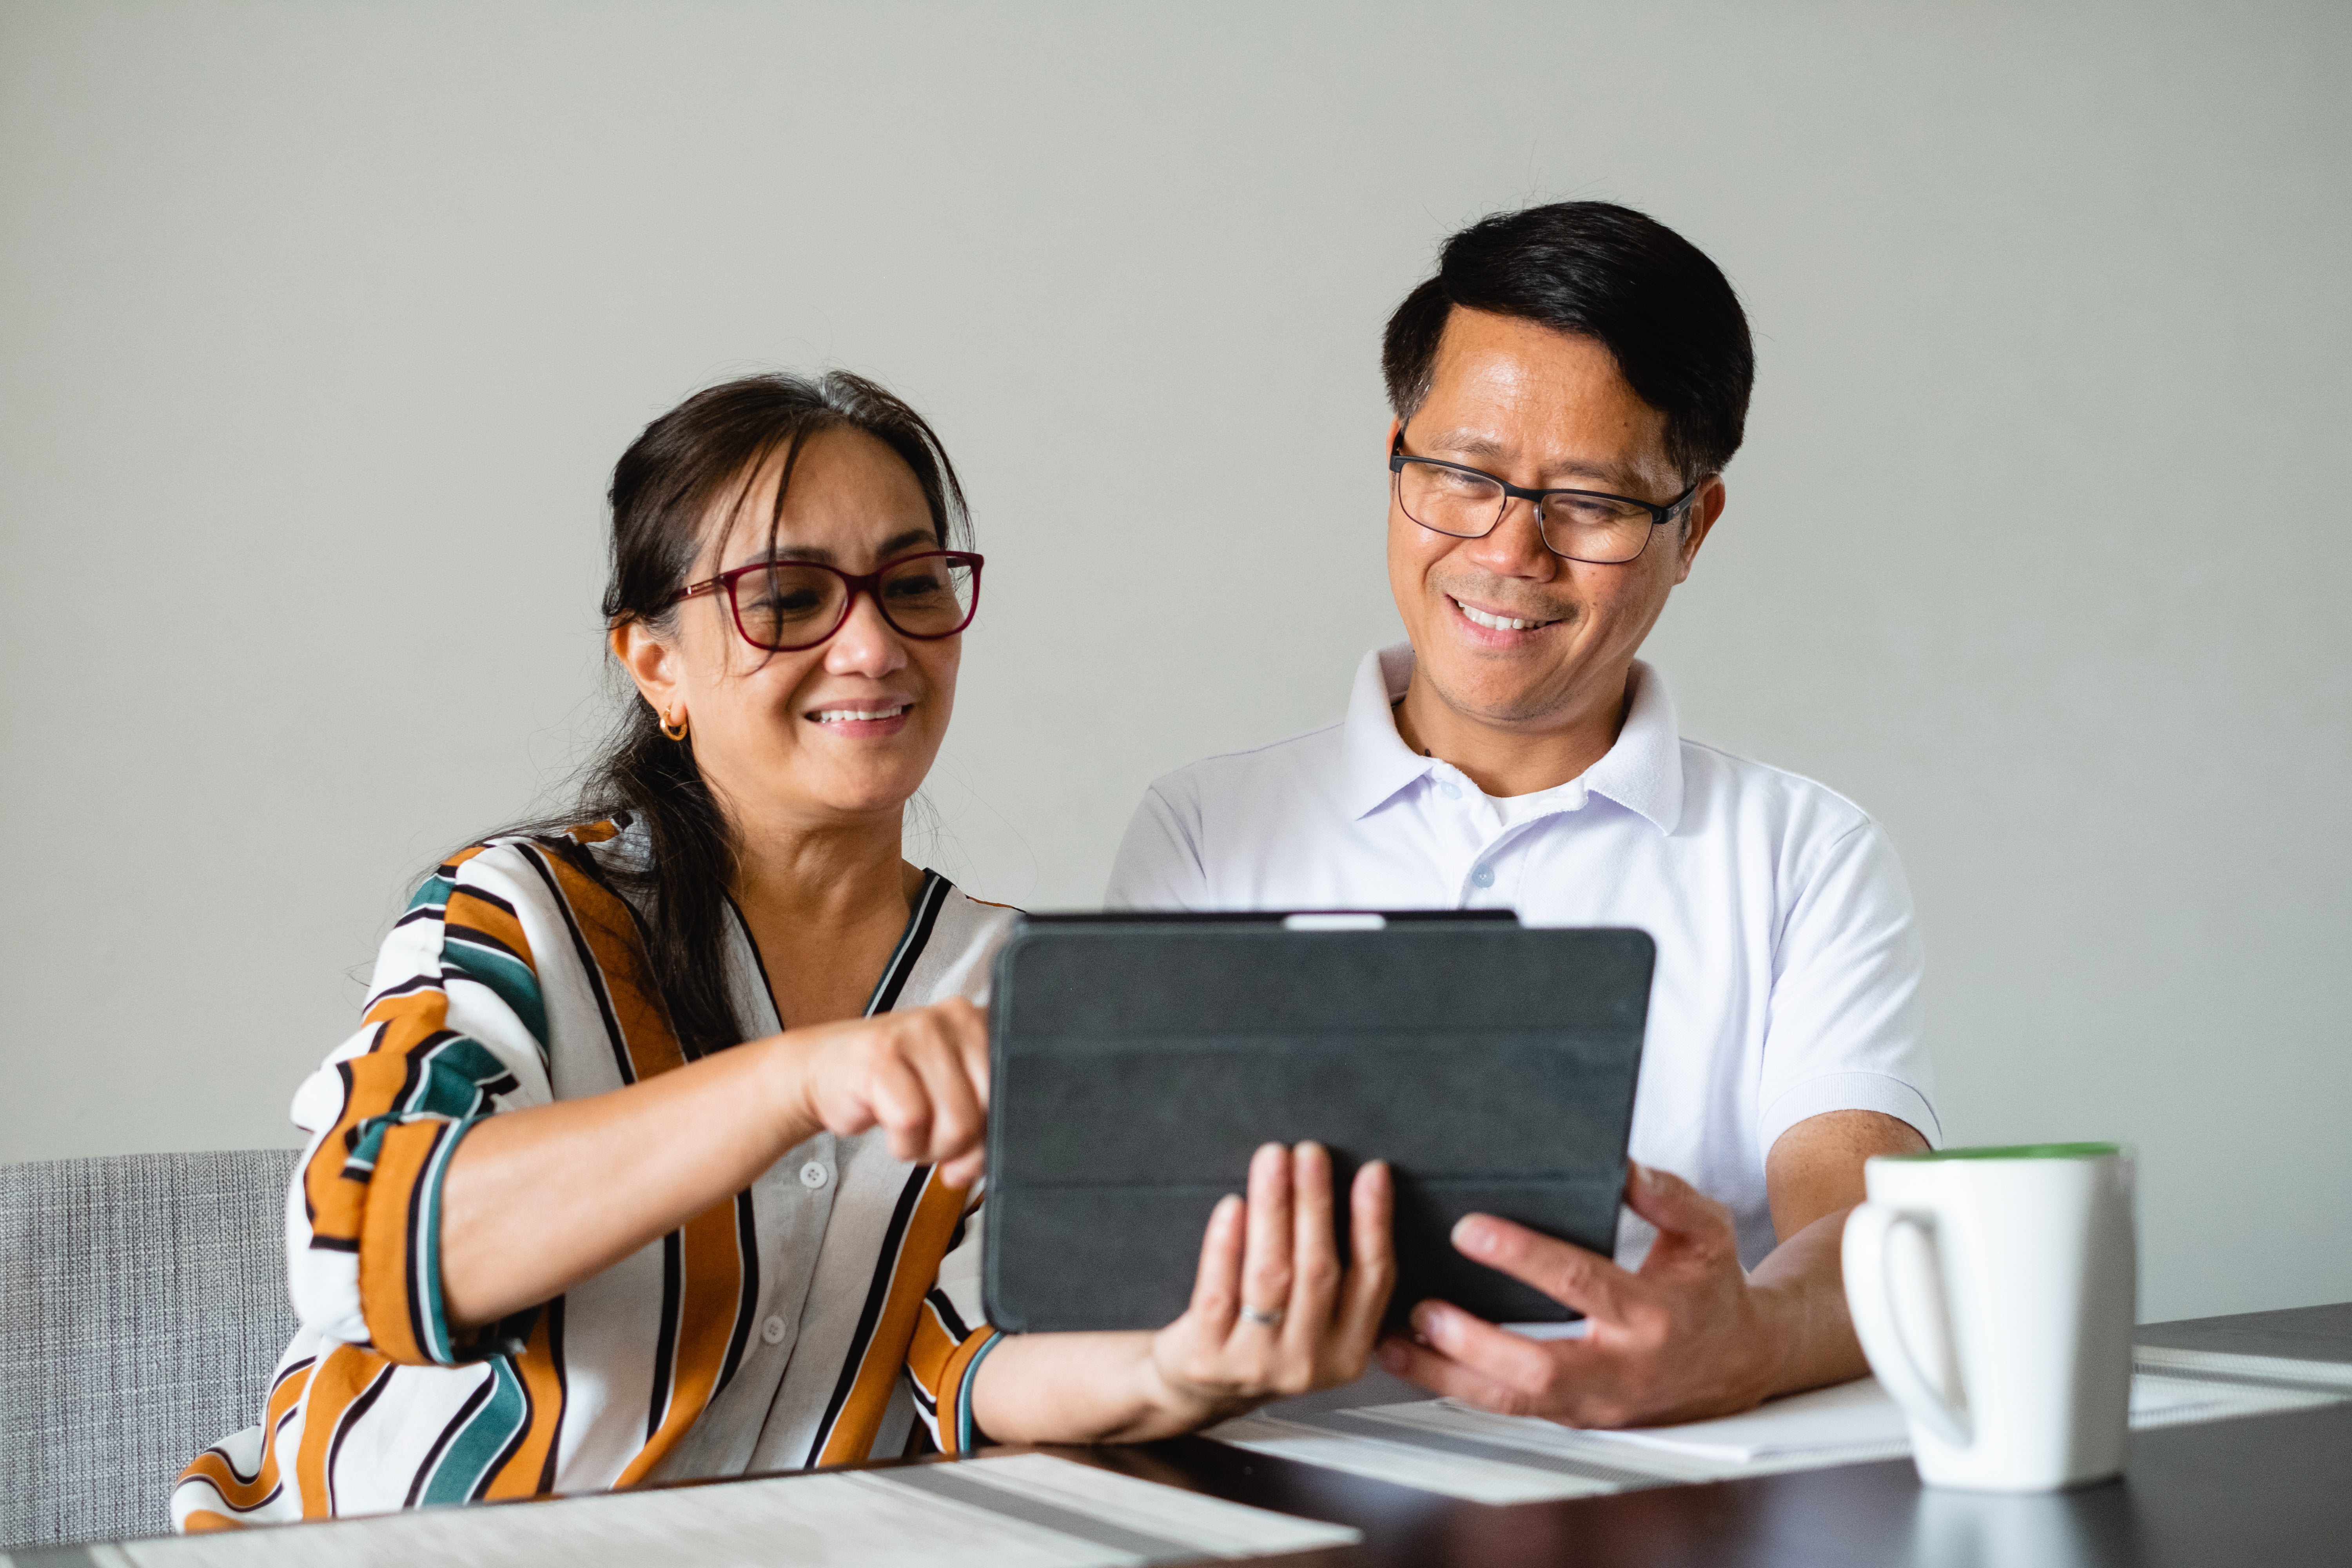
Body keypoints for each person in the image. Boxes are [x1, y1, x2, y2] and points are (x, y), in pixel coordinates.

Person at [174, 372, 1393, 1530]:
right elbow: (369, 1242)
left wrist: (1179, 1367)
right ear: (657, 664)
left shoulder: (1009, 977)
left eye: (913, 584)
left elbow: (961, 1365)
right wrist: (797, 1081)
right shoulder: (521, 911)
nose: (872, 648)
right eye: (788, 599)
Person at [1107, 202, 1936, 1428]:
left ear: (1692, 527)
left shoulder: (1805, 856)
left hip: (1674, 1513)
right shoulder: (1205, 829)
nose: (1510, 551)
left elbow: (1866, 1224)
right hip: (1287, 1510)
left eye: (1590, 504)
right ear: (1397, 458)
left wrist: (1748, 1342)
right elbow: (1127, 1242)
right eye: (1462, 477)